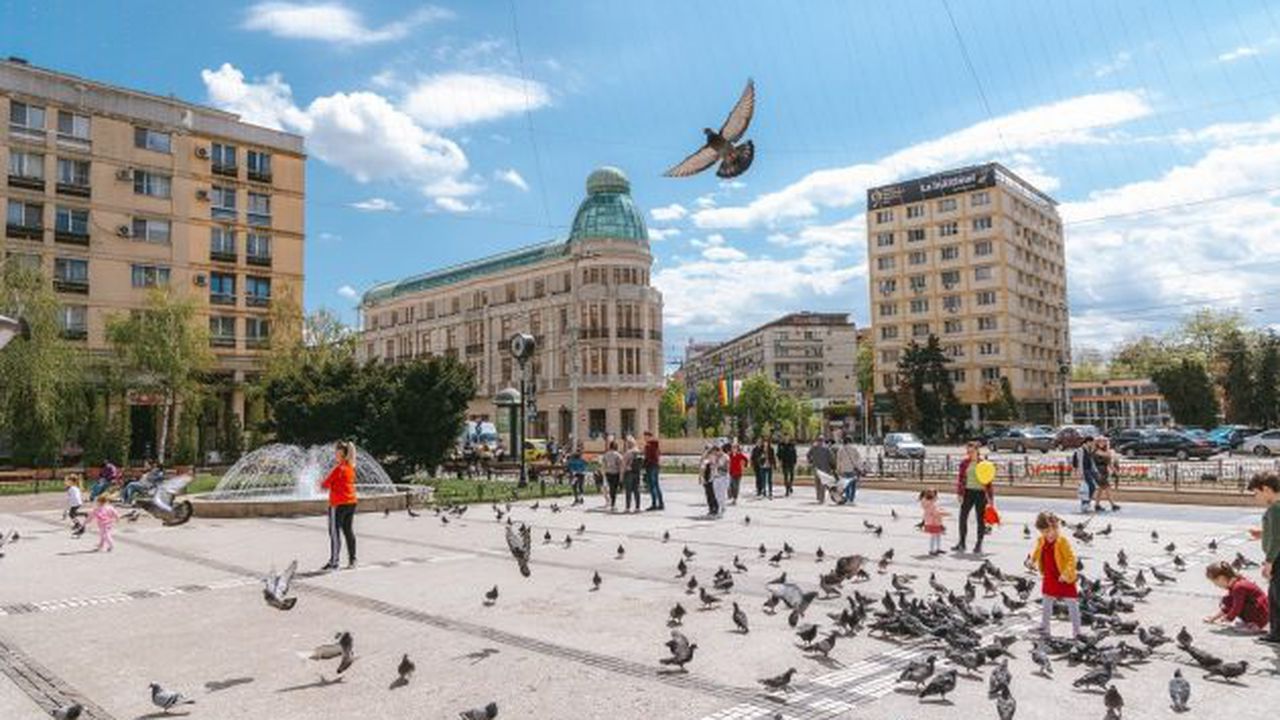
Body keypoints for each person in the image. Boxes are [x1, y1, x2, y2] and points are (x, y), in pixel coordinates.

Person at [1027, 511, 1081, 638]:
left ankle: (1077, 632)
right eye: (1043, 532)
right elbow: (1037, 550)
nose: (1046, 535)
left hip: (1064, 577)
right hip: (1050, 576)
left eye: (1047, 531)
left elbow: (1071, 559)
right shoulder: (1042, 540)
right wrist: (1032, 560)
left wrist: (1066, 573)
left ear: (1056, 527)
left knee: (1072, 604)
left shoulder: (1062, 541)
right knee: (1046, 601)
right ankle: (1045, 627)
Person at [1247, 472, 1280, 646]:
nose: (1256, 497)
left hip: (1278, 559)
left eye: (1256, 493)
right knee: (1274, 597)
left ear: (1266, 489)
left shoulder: (1275, 508)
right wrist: (1262, 533)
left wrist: (1269, 563)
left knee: (1276, 598)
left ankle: (1276, 634)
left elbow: (1276, 539)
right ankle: (1276, 633)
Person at [320, 440, 358, 571]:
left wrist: (321, 481)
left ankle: (334, 562)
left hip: (338, 504)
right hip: (351, 503)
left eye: (336, 452)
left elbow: (324, 485)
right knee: (348, 531)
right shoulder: (350, 466)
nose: (334, 454)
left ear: (340, 454)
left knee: (334, 533)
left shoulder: (338, 469)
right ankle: (353, 560)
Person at [1203, 561, 1269, 633]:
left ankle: (1255, 625)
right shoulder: (1236, 582)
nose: (1216, 585)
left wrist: (1228, 618)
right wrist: (1214, 618)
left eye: (1215, 582)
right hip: (1261, 613)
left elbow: (1237, 606)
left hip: (1260, 615)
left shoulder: (1238, 587)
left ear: (1221, 578)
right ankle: (1250, 622)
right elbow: (1229, 605)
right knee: (1227, 599)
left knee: (1230, 600)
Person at [954, 442, 993, 553]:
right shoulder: (964, 463)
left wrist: (990, 498)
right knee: (962, 517)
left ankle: (978, 544)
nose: (969, 453)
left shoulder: (984, 464)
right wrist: (959, 493)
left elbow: (989, 482)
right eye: (968, 451)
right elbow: (960, 479)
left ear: (977, 450)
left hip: (980, 494)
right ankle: (962, 543)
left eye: (971, 451)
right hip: (967, 492)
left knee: (980, 520)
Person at [1092, 437, 1121, 512]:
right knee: (1107, 488)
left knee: (1100, 490)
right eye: (1100, 442)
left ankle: (1097, 505)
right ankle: (1113, 505)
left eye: (1103, 442)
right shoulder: (1096, 451)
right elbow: (1107, 456)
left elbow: (1109, 463)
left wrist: (1115, 471)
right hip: (1099, 472)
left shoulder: (1105, 451)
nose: (1102, 443)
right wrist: (1109, 451)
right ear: (1097, 443)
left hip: (1104, 472)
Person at [1072, 437, 1100, 513]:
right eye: (1091, 442)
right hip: (1084, 470)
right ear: (1087, 442)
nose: (1092, 444)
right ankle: (1085, 504)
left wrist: (1095, 471)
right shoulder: (1080, 450)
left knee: (1089, 488)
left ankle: (1086, 503)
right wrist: (1077, 473)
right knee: (1089, 487)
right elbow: (1076, 462)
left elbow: (1091, 461)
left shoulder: (1089, 450)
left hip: (1090, 470)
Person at [835, 436, 864, 505]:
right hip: (852, 469)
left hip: (844, 470)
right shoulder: (854, 449)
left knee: (846, 485)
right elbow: (858, 459)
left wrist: (838, 469)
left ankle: (847, 498)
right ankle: (852, 499)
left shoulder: (841, 450)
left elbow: (838, 460)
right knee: (853, 485)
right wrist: (859, 468)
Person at [807, 438, 835, 504]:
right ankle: (822, 498)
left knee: (817, 483)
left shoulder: (814, 448)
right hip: (824, 468)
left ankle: (818, 496)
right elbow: (831, 458)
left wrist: (811, 461)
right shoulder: (827, 449)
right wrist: (832, 466)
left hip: (816, 468)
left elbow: (808, 455)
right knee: (823, 483)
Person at [920, 489, 947, 556]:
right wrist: (941, 513)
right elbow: (934, 512)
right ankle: (932, 550)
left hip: (936, 521)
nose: (936, 497)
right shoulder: (929, 503)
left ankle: (938, 548)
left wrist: (940, 511)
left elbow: (935, 510)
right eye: (935, 495)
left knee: (938, 535)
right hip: (933, 522)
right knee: (933, 536)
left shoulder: (931, 502)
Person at [643, 431, 664, 511]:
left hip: (651, 466)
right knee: (656, 485)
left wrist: (644, 464)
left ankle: (654, 503)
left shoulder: (648, 446)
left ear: (649, 436)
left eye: (645, 437)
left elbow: (648, 458)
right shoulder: (656, 445)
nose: (644, 438)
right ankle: (661, 503)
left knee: (652, 486)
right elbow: (658, 455)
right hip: (656, 466)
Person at [622, 436, 643, 513]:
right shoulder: (638, 451)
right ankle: (638, 507)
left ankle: (628, 507)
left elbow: (624, 464)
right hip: (637, 472)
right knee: (636, 490)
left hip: (629, 472)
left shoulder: (628, 452)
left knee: (628, 490)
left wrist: (622, 474)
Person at [711, 443, 732, 519]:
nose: (714, 454)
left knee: (722, 494)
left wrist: (717, 466)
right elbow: (712, 467)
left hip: (723, 478)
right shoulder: (714, 457)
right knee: (717, 495)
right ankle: (722, 507)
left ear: (719, 450)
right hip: (716, 477)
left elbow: (726, 469)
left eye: (715, 452)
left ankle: (721, 510)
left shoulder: (726, 457)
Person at [602, 440, 623, 512]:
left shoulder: (606, 454)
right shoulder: (618, 455)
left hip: (608, 473)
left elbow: (603, 464)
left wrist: (604, 472)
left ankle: (611, 502)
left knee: (611, 488)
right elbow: (620, 465)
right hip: (615, 473)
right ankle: (613, 504)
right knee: (614, 489)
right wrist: (621, 475)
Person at [699, 444, 719, 517]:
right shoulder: (704, 458)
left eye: (707, 449)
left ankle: (715, 509)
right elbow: (701, 467)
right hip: (706, 478)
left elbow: (713, 467)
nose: (706, 450)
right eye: (705, 449)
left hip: (711, 478)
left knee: (712, 494)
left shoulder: (712, 457)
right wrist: (701, 477)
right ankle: (711, 509)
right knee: (708, 494)